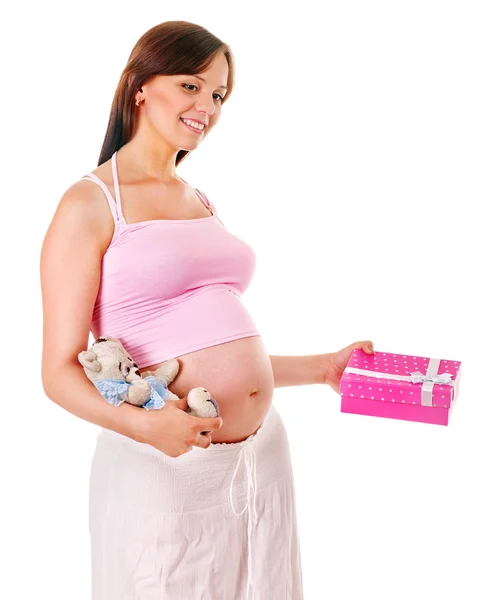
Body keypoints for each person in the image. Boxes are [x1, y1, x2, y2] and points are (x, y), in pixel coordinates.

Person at [40, 20, 375, 600]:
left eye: (218, 95)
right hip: (165, 465)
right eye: (192, 86)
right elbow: (57, 372)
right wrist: (149, 426)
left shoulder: (200, 199)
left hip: (260, 461)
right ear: (140, 85)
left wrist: (323, 368)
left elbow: (211, 340)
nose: (208, 107)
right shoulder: (91, 203)